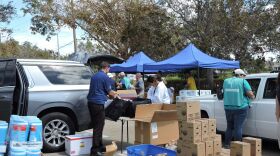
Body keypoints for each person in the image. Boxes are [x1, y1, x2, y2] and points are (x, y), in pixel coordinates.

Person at [87, 62, 118, 156]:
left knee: (98, 124)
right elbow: (110, 92)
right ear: (107, 68)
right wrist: (116, 95)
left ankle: (100, 146)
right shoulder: (105, 77)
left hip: (91, 103)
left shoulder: (94, 76)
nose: (109, 70)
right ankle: (94, 151)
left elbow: (99, 89)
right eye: (109, 68)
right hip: (98, 103)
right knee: (98, 126)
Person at [223, 69, 255, 148]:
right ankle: (238, 147)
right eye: (243, 75)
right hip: (240, 108)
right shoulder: (243, 81)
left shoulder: (226, 81)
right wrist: (253, 96)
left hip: (228, 107)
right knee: (238, 127)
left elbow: (224, 92)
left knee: (229, 127)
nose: (244, 77)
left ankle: (227, 144)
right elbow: (250, 94)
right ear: (240, 75)